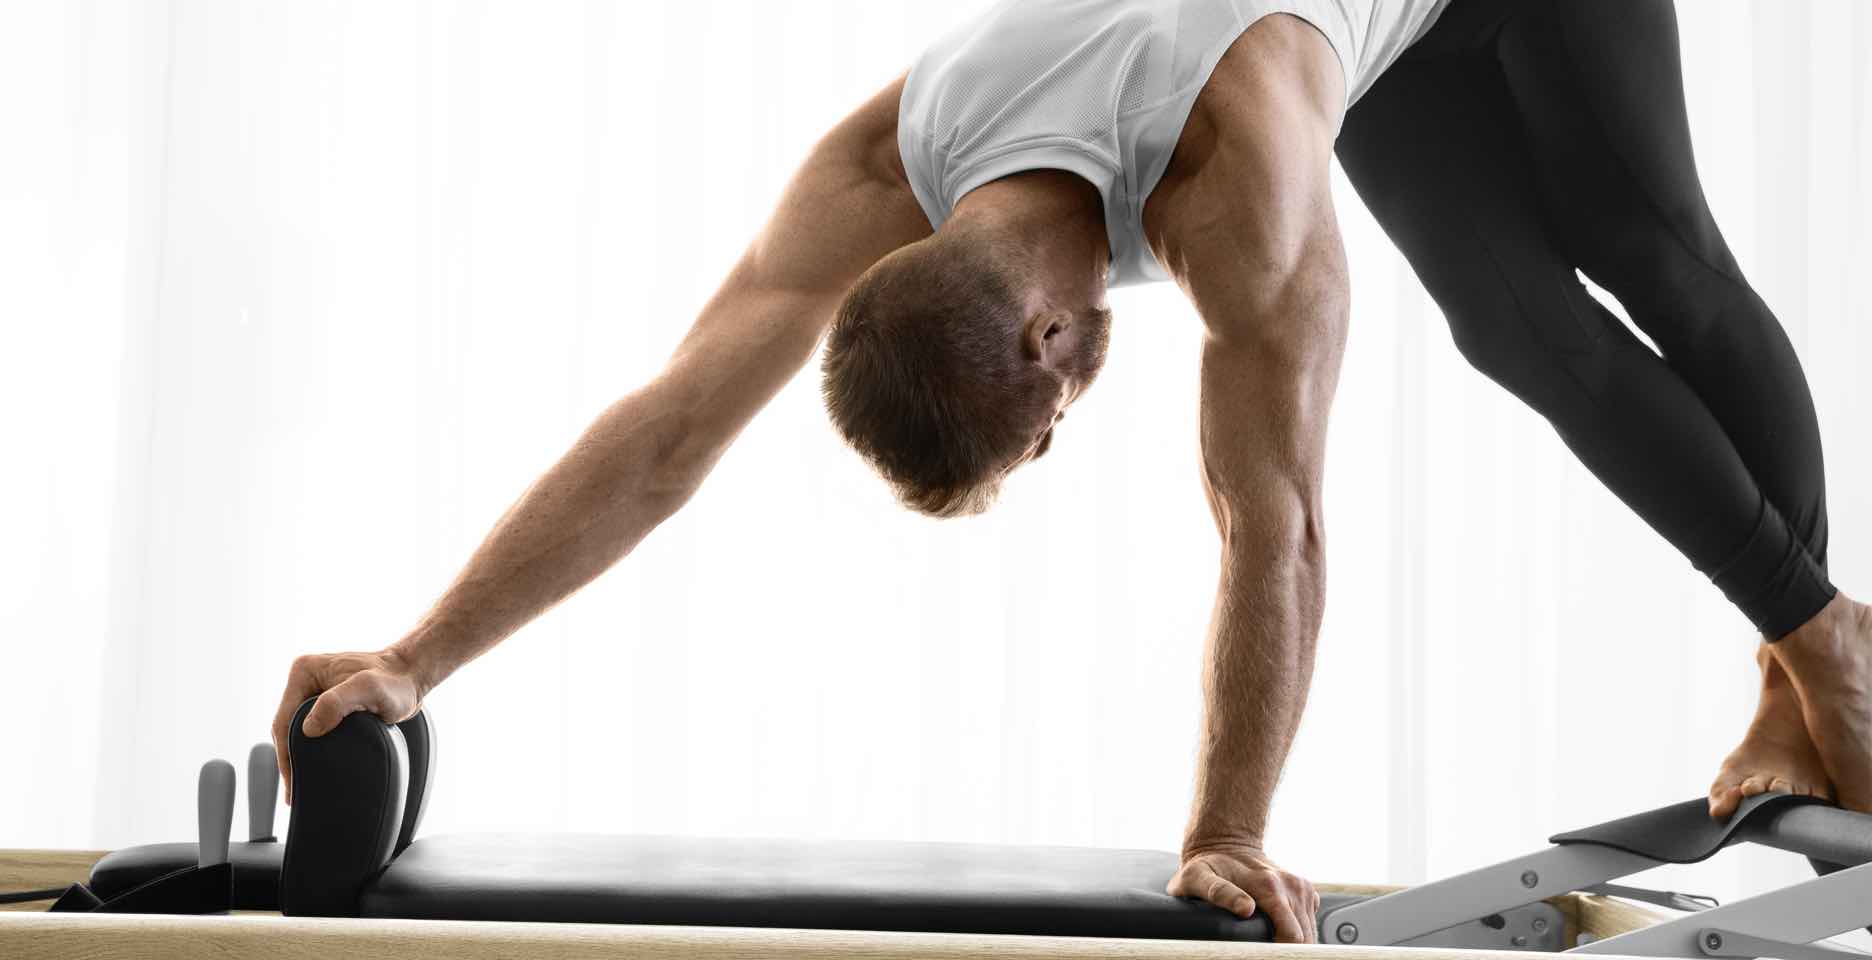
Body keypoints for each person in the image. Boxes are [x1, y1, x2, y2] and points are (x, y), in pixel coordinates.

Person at [271, 0, 1872, 944]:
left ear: (1047, 345)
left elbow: (1277, 527)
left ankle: (1825, 650)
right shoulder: (883, 164)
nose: (1070, 430)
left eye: (1044, 434)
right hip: (1365, 31)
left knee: (1644, 256)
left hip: (1285, 44)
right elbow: (677, 427)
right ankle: (1803, 662)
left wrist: (1229, 828)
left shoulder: (1239, 187)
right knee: (1514, 331)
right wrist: (418, 657)